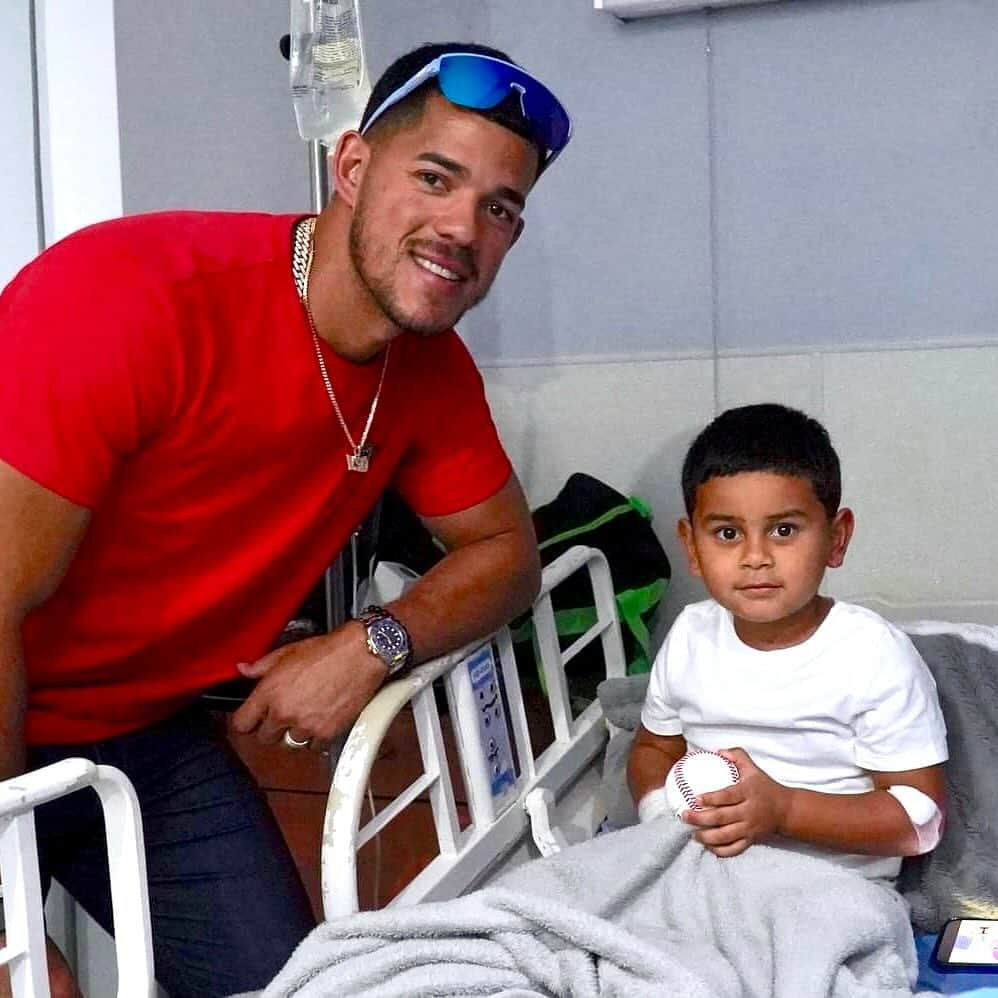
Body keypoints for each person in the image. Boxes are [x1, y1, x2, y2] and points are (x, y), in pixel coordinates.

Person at [0, 41, 571, 998]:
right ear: (351, 167)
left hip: (138, 734)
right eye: (435, 177)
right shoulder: (131, 300)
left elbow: (508, 554)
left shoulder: (427, 372)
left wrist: (371, 642)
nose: (462, 228)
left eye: (499, 208)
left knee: (292, 988)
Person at [628, 403, 948, 879]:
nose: (755, 557)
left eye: (784, 530)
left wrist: (785, 810)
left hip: (830, 886)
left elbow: (919, 821)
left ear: (836, 539)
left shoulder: (872, 655)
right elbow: (653, 750)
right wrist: (663, 818)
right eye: (727, 533)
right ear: (692, 546)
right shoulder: (690, 637)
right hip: (701, 871)